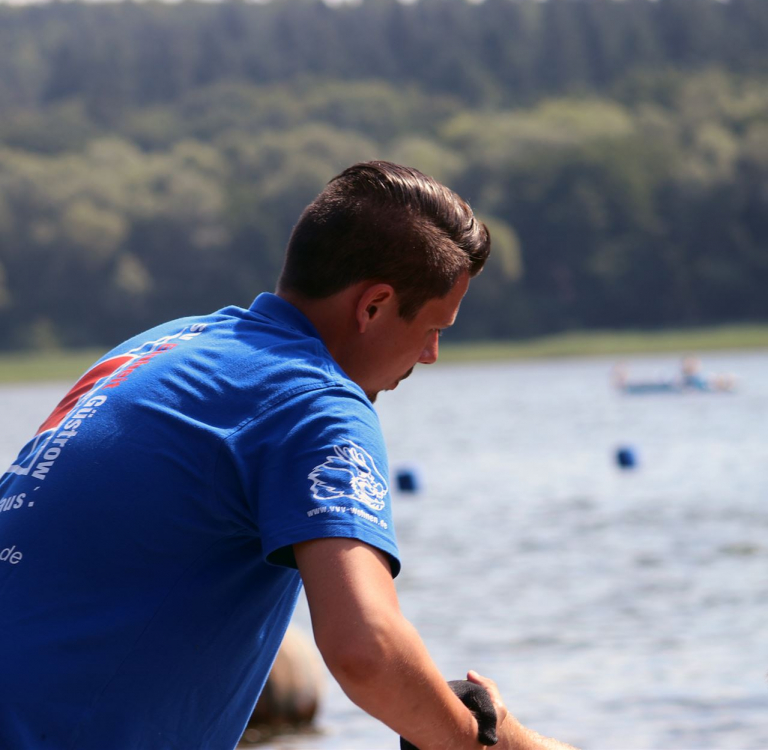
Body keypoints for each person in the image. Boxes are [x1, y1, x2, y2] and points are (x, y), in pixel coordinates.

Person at [0, 161, 577, 750]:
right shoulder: (315, 401)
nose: (430, 354)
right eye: (435, 329)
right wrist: (480, 741)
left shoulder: (159, 347)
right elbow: (368, 650)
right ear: (374, 306)